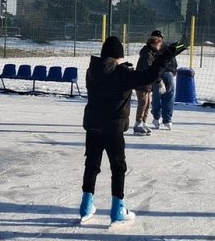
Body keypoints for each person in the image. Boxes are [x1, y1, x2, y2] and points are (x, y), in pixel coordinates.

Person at [79, 35, 186, 226]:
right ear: (117, 56)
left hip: (93, 126)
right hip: (113, 129)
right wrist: (166, 56)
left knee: (92, 164)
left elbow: (111, 74)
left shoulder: (91, 71)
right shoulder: (121, 74)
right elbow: (149, 75)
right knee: (118, 167)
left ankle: (86, 205)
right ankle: (117, 209)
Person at [132, 31, 162, 135]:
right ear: (152, 44)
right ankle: (137, 123)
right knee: (143, 102)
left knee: (148, 102)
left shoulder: (153, 53)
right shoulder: (147, 54)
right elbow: (149, 68)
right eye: (158, 45)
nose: (159, 47)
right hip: (141, 81)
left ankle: (144, 122)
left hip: (147, 82)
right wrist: (158, 79)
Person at [150, 31, 178, 130]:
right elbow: (173, 59)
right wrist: (174, 69)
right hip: (168, 73)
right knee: (168, 97)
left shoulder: (152, 48)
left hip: (158, 74)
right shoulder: (167, 47)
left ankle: (157, 118)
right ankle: (167, 120)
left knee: (157, 96)